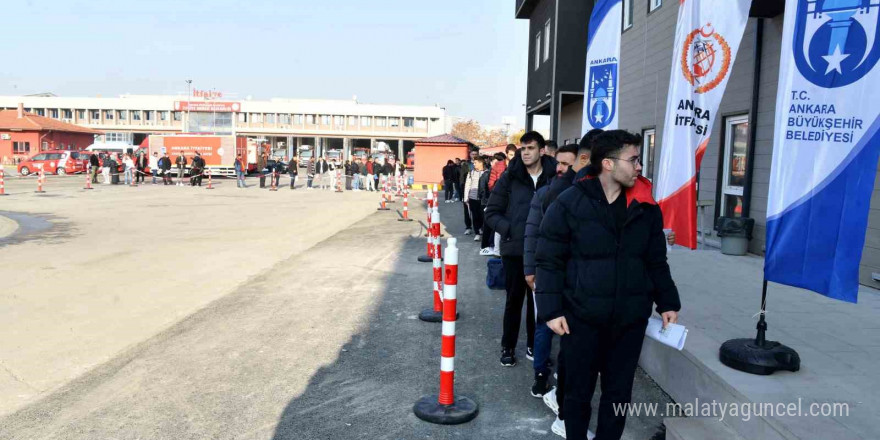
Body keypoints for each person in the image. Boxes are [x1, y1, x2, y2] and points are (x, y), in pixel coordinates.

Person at [536, 130, 680, 440]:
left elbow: (656, 260)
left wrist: (667, 301)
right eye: (634, 159)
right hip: (580, 319)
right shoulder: (569, 203)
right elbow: (549, 260)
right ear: (609, 164)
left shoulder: (646, 206)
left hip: (628, 321)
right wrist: (551, 310)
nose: (639, 166)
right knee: (577, 393)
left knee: (618, 395)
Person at [485, 131, 556, 367]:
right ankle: (508, 346)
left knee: (538, 302)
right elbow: (491, 213)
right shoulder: (510, 176)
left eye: (531, 148)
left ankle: (534, 346)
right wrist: (510, 230)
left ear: (542, 150)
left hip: (544, 251)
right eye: (523, 148)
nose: (525, 152)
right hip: (515, 250)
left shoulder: (554, 175)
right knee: (514, 300)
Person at [464, 157, 487, 243]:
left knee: (482, 216)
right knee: (475, 216)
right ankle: (477, 233)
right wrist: (466, 197)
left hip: (483, 199)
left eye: (475, 163)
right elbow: (467, 185)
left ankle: (481, 228)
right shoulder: (471, 173)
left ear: (481, 163)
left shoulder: (486, 172)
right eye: (473, 163)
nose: (474, 164)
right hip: (472, 198)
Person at [478, 155, 496, 255]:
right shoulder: (487, 174)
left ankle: (489, 246)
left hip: (490, 202)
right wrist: (486, 202)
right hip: (487, 203)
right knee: (487, 226)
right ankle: (484, 247)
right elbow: (482, 190)